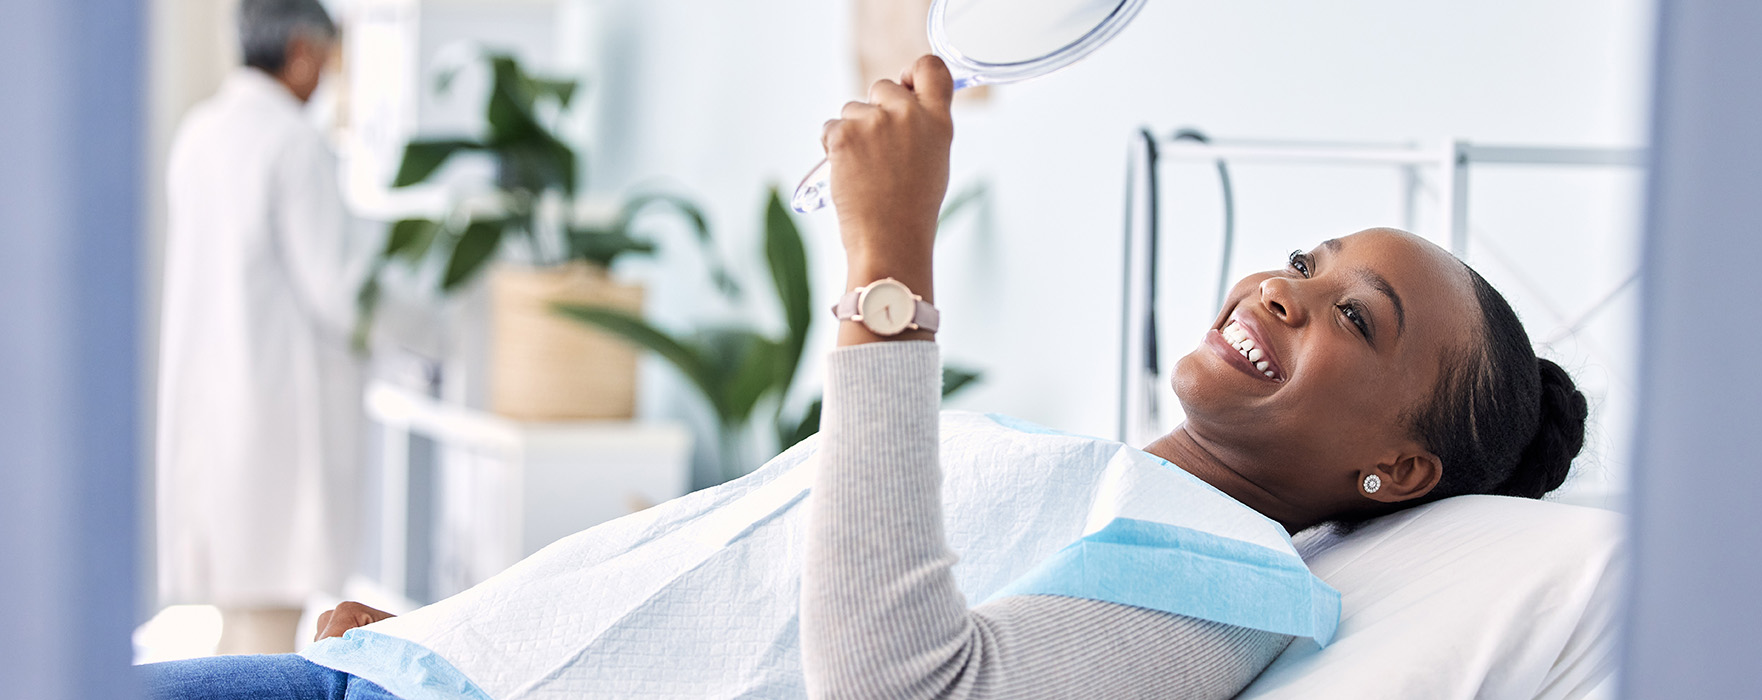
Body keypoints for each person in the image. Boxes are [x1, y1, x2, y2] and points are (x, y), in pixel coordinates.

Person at [140, 55, 1587, 699]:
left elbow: (891, 694)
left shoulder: (1234, 583)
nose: (1287, 285)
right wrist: (477, 629)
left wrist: (888, 264)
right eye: (1305, 255)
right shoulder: (1086, 478)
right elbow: (743, 596)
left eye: (1358, 314)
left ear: (1396, 471)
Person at [156, 0, 367, 655]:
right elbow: (337, 289)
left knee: (239, 629)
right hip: (272, 417)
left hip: (210, 406)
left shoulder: (201, 131)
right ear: (302, 51)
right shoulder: (293, 143)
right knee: (269, 637)